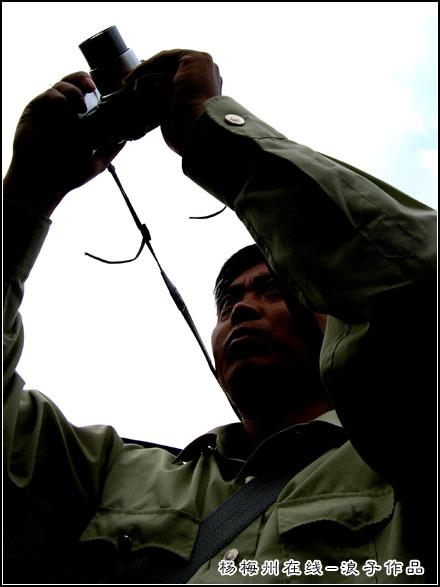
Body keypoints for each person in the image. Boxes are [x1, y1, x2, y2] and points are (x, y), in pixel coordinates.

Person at [3, 50, 437, 584]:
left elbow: (416, 286)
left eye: (272, 289)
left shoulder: (408, 449)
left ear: (334, 318)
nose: (242, 307)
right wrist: (24, 197)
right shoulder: (112, 477)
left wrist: (210, 130)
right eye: (227, 301)